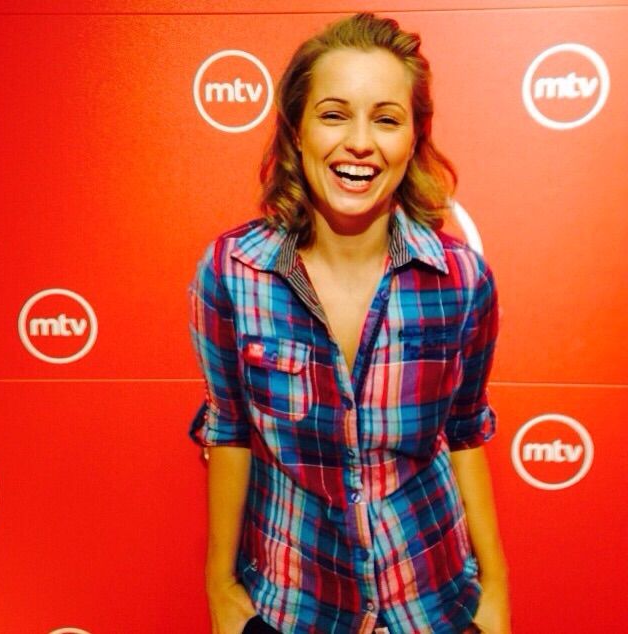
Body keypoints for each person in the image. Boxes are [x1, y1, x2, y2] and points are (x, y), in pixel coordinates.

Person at [188, 12, 511, 634]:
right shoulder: (232, 271)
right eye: (334, 114)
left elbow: (466, 433)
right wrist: (221, 587)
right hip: (292, 605)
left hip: (433, 601)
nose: (360, 142)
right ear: (297, 131)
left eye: (386, 119)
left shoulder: (462, 280)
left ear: (414, 138)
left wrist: (495, 589)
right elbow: (229, 432)